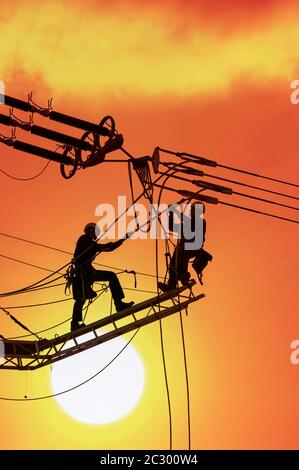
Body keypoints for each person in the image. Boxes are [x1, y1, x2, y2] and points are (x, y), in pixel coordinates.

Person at [71, 222, 134, 331]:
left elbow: (106, 248)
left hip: (87, 273)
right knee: (83, 296)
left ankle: (75, 323)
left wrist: (122, 240)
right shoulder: (85, 239)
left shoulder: (88, 242)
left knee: (83, 296)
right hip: (84, 273)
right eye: (95, 232)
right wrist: (123, 239)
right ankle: (118, 304)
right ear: (90, 230)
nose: (96, 235)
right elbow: (105, 248)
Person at [158, 203, 212, 291]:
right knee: (173, 263)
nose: (191, 211)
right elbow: (172, 227)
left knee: (182, 253)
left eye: (193, 209)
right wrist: (170, 215)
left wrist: (173, 210)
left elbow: (186, 220)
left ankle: (184, 276)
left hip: (194, 246)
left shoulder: (200, 221)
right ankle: (171, 285)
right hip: (184, 247)